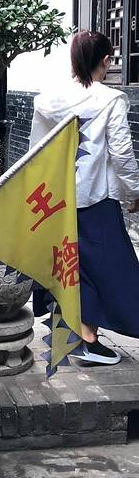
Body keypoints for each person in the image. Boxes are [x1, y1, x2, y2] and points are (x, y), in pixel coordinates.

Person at [30, 31, 139, 365]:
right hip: (95, 197)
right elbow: (121, 153)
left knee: (69, 264)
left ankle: (73, 335)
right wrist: (134, 192)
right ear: (105, 60)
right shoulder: (110, 100)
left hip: (55, 199)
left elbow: (36, 149)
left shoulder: (48, 100)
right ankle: (87, 338)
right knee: (107, 267)